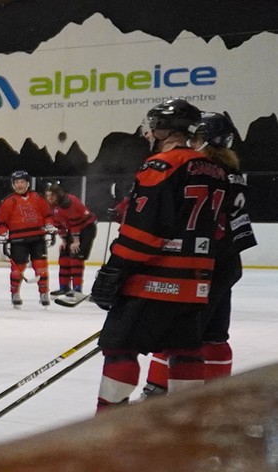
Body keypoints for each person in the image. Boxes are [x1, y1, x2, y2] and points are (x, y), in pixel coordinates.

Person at [90, 99, 229, 411]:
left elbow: (144, 234)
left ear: (164, 128)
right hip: (194, 285)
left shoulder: (160, 167)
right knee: (185, 350)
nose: (151, 132)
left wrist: (116, 269)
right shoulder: (218, 171)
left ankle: (107, 424)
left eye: (155, 125)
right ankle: (187, 425)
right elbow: (219, 230)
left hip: (151, 282)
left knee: (120, 349)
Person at [140, 111, 256, 398]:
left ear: (206, 140)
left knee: (181, 332)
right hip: (227, 263)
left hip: (204, 263)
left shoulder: (204, 172)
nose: (190, 141)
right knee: (214, 334)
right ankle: (216, 398)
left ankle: (158, 391)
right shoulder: (232, 171)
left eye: (195, 137)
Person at [0, 170, 55, 308]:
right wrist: (3, 233)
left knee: (41, 269)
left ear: (27, 183)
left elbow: (48, 215)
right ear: (13, 184)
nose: (19, 185)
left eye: (22, 182)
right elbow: (1, 222)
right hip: (18, 241)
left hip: (38, 238)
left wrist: (49, 225)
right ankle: (15, 293)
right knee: (17, 269)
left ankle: (44, 293)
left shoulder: (38, 198)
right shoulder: (8, 201)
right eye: (16, 182)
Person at [44, 183, 97, 303]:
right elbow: (58, 223)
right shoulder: (52, 206)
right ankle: (64, 287)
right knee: (64, 257)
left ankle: (77, 290)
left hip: (86, 228)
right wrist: (64, 240)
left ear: (58, 196)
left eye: (52, 196)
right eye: (47, 196)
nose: (49, 199)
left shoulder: (69, 202)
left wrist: (76, 241)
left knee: (76, 258)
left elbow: (76, 223)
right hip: (72, 230)